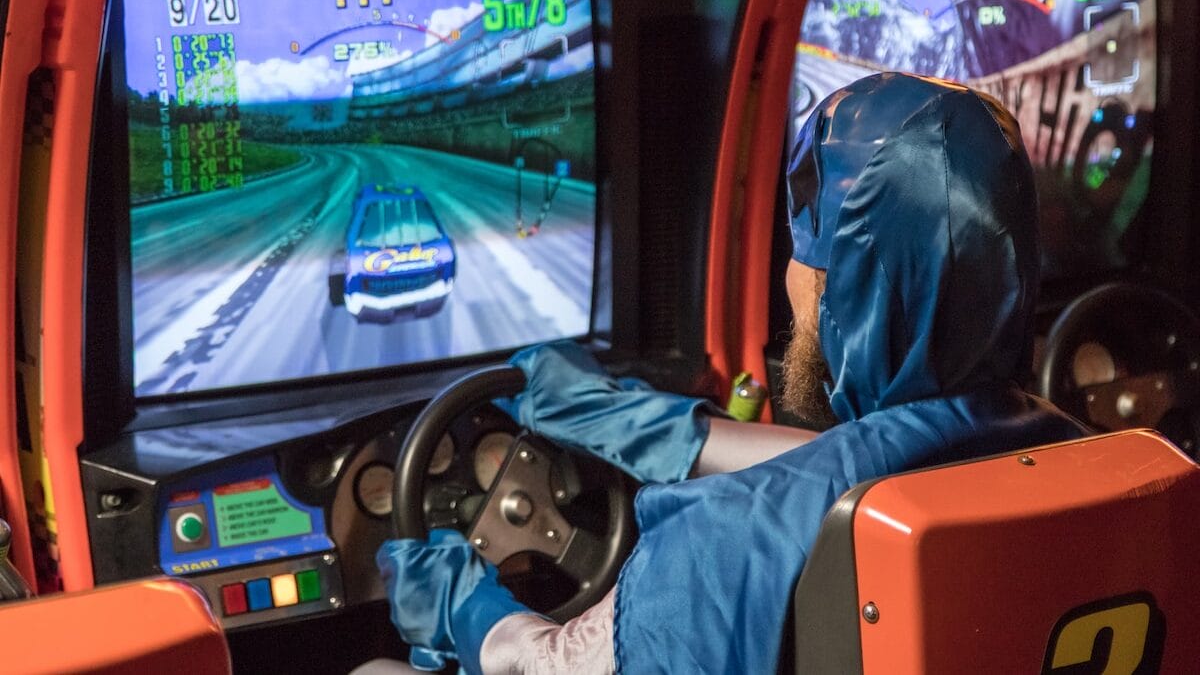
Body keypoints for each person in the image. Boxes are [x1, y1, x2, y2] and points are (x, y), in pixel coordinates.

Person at [370, 72, 1091, 674]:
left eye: (805, 257)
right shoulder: (1090, 455)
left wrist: (469, 608)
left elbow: (547, 664)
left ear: (850, 294)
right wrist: (642, 425)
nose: (789, 279)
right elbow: (869, 467)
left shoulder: (721, 544)